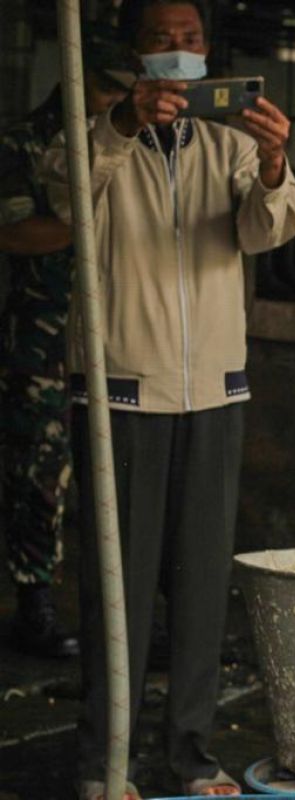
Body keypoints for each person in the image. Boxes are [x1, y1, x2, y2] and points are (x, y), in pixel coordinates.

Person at [42, 1, 295, 797]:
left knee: (197, 592)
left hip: (215, 392)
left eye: (191, 40)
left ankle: (190, 756)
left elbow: (269, 231)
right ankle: (105, 763)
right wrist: (121, 123)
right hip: (121, 394)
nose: (181, 53)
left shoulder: (226, 143)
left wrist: (271, 164)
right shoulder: (94, 139)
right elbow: (63, 194)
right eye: (165, 40)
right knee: (114, 592)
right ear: (135, 56)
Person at [0, 36, 129, 659]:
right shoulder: (24, 141)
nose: (116, 101)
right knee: (39, 471)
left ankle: (119, 614)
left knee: (111, 473)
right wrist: (93, 228)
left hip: (114, 336)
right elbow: (17, 233)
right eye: (107, 87)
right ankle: (35, 605)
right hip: (43, 336)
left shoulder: (130, 141)